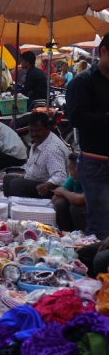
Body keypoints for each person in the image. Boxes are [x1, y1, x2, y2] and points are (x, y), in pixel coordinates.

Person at [68, 32, 109, 242]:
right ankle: (98, 272)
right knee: (101, 228)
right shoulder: (83, 82)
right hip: (96, 164)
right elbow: (76, 117)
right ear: (103, 51)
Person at [2, 112, 69, 199]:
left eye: (38, 130)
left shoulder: (53, 149)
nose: (34, 134)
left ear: (48, 128)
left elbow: (60, 176)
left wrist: (47, 186)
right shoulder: (38, 142)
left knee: (16, 184)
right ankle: (12, 207)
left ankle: (23, 209)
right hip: (34, 182)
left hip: (49, 190)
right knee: (8, 179)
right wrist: (24, 176)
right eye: (31, 131)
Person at [52, 153, 86, 233]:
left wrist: (63, 192)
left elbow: (79, 200)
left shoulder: (90, 180)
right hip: (76, 210)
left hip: (90, 214)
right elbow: (55, 199)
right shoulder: (72, 179)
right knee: (60, 204)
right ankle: (66, 233)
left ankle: (81, 235)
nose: (69, 171)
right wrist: (69, 195)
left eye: (71, 168)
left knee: (76, 208)